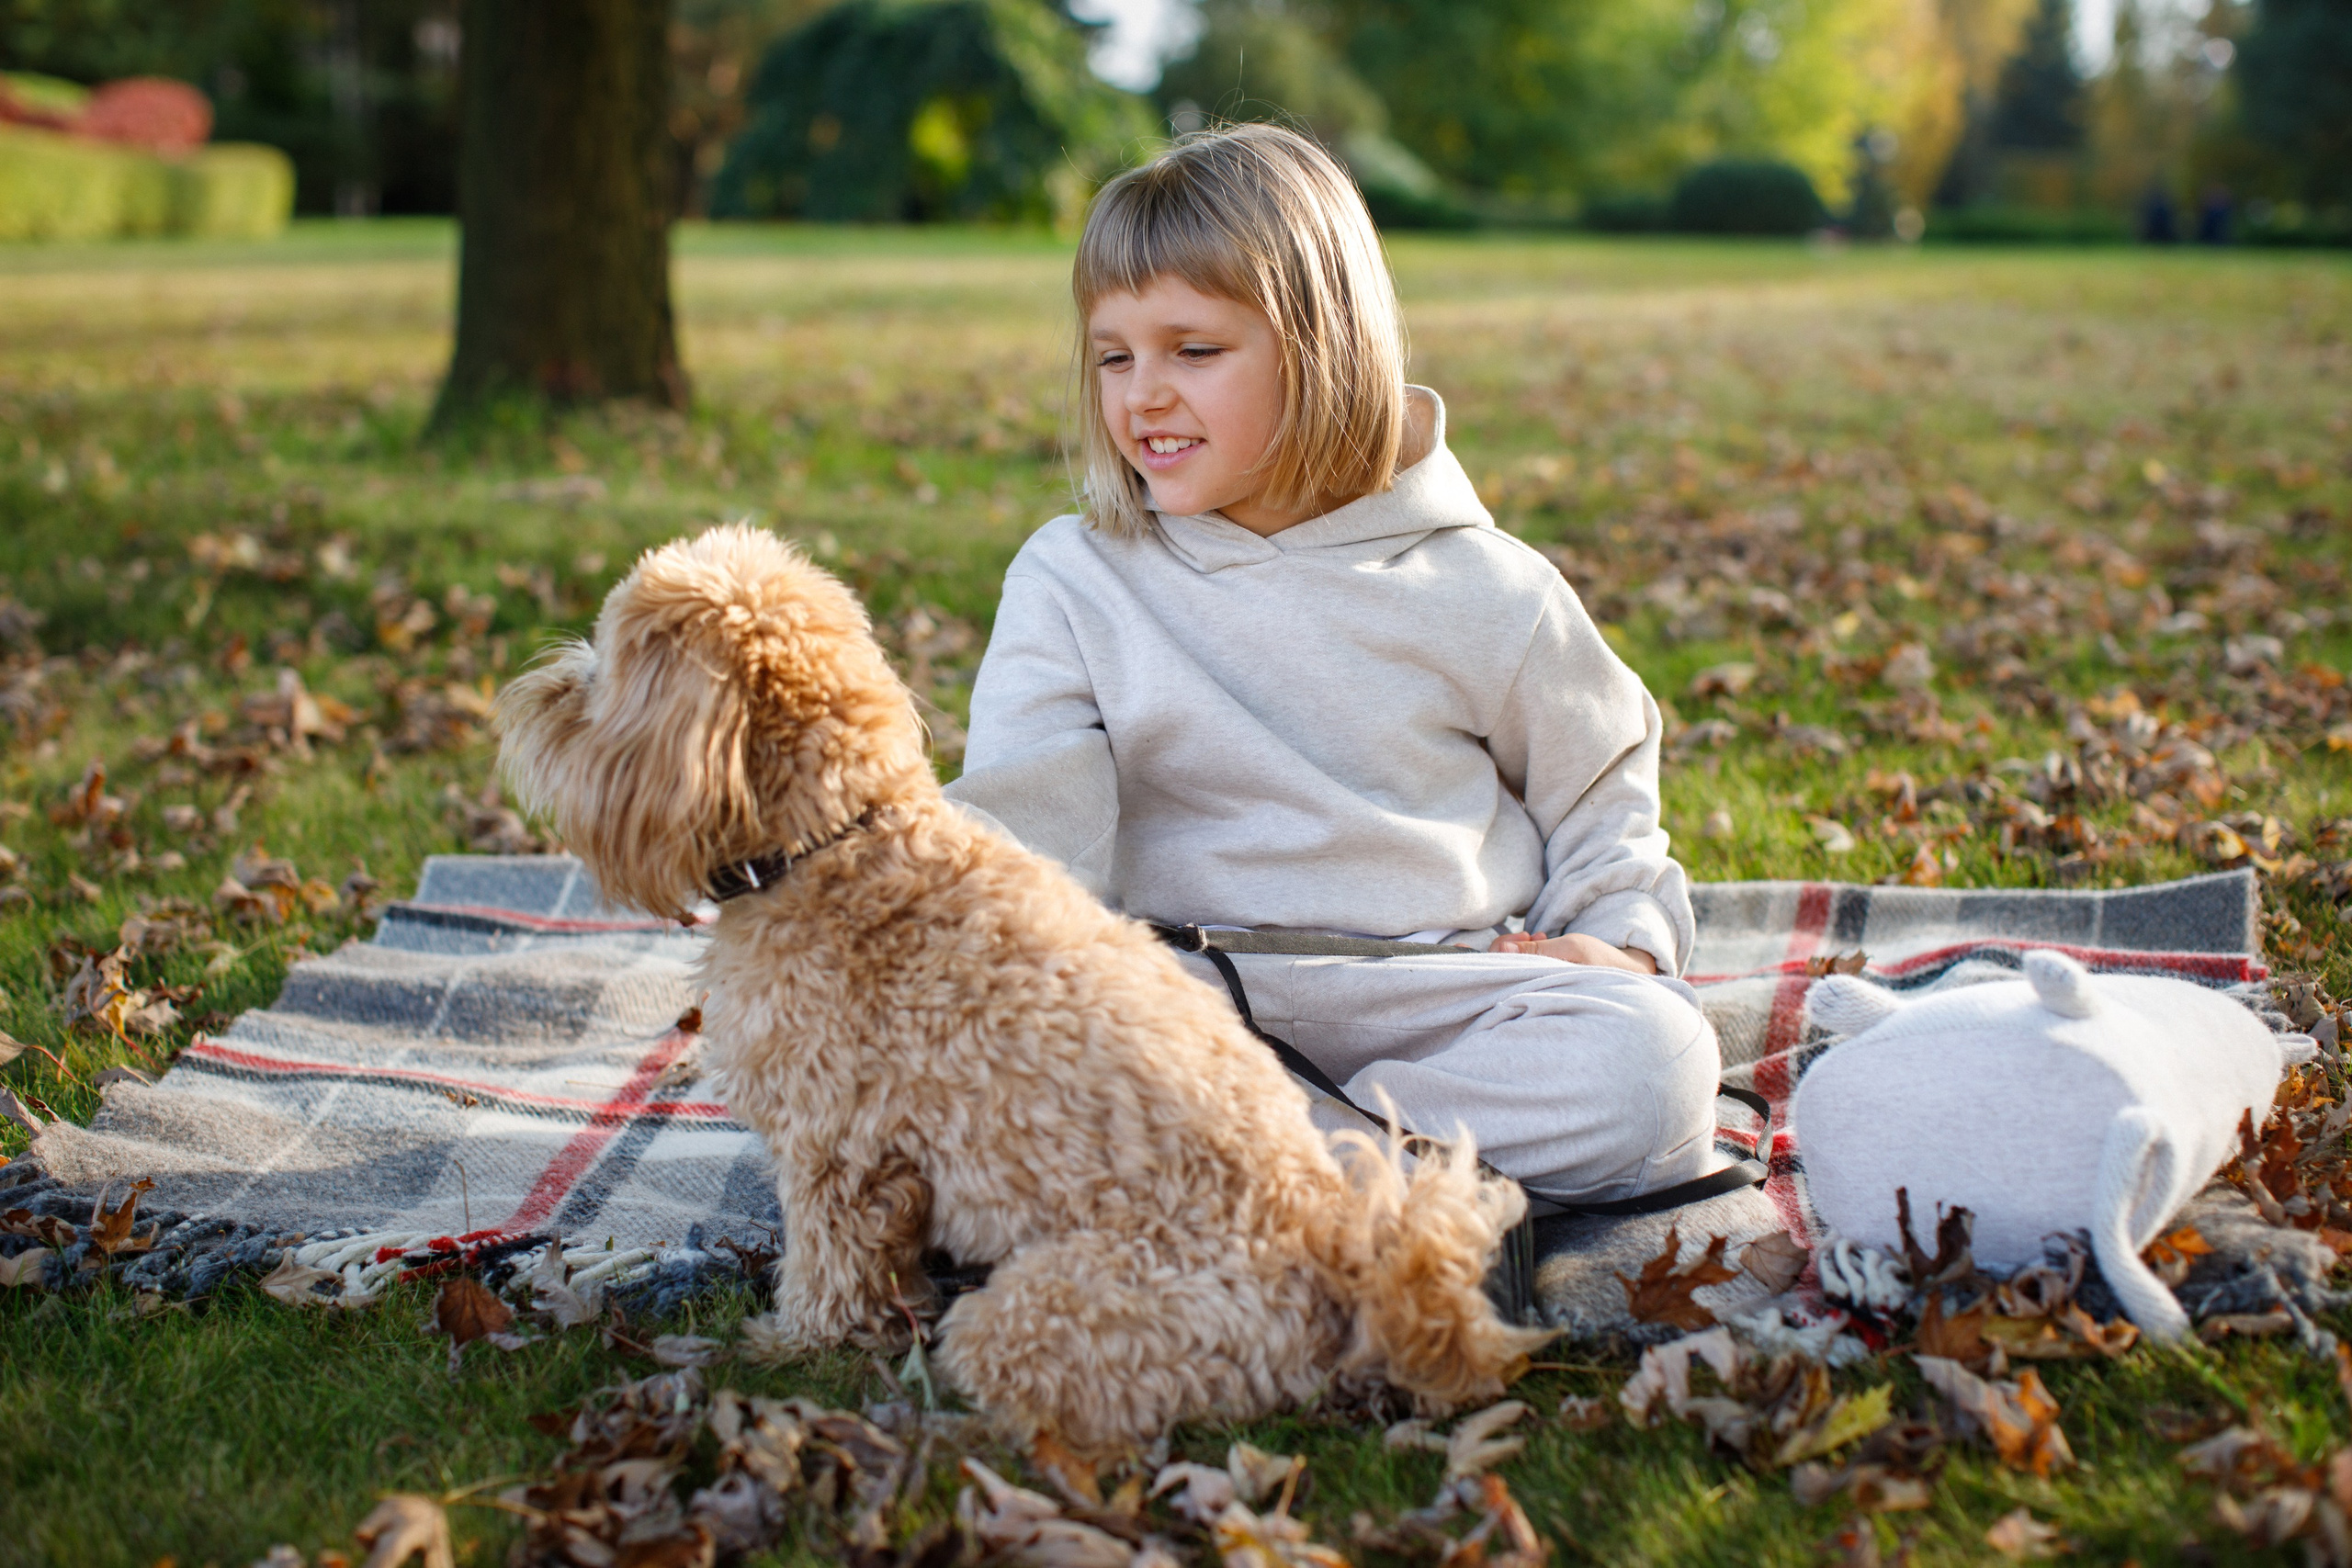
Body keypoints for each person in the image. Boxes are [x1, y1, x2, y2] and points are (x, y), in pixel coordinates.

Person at [943, 123, 1723, 1206]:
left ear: (1320, 346)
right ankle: (1358, 1190)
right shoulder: (1074, 577)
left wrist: (1625, 949)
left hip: (1441, 998)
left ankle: (1269, 1183)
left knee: (1654, 1068)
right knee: (974, 1072)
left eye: (1194, 351)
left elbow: (1602, 799)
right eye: (1114, 355)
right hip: (1178, 1002)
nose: (1142, 396)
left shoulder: (1488, 590)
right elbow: (1019, 842)